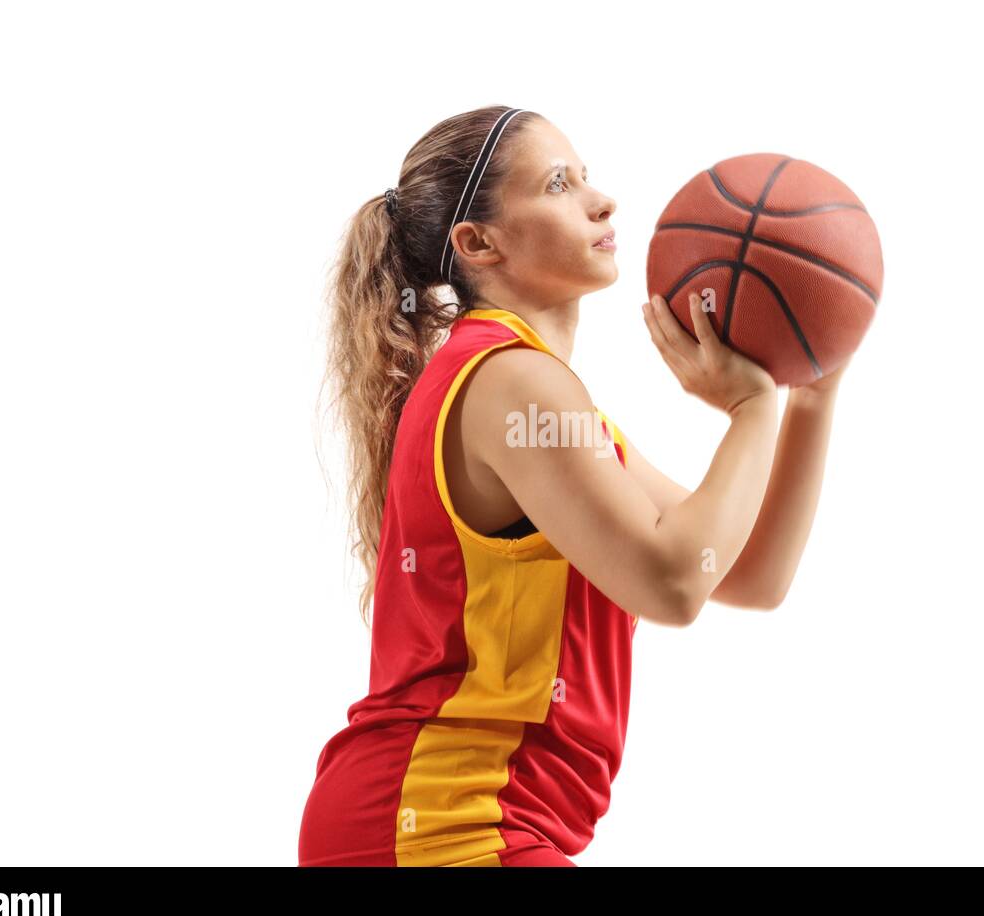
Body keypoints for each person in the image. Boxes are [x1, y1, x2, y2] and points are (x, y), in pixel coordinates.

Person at [297, 105, 849, 867]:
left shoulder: (541, 401)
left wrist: (808, 396)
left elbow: (745, 572)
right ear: (478, 243)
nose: (602, 201)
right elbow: (674, 583)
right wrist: (751, 410)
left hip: (459, 821)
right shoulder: (512, 382)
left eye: (586, 177)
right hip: (439, 823)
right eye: (560, 183)